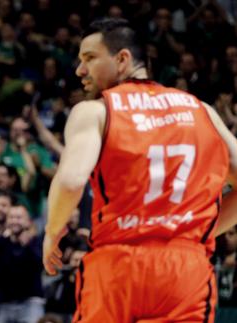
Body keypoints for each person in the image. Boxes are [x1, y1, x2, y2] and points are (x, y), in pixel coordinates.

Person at [42, 18, 237, 322]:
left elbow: (70, 181)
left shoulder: (96, 110)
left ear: (122, 59)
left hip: (117, 265)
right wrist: (202, 231)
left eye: (89, 58)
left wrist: (52, 232)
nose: (80, 70)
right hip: (185, 271)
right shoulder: (202, 111)